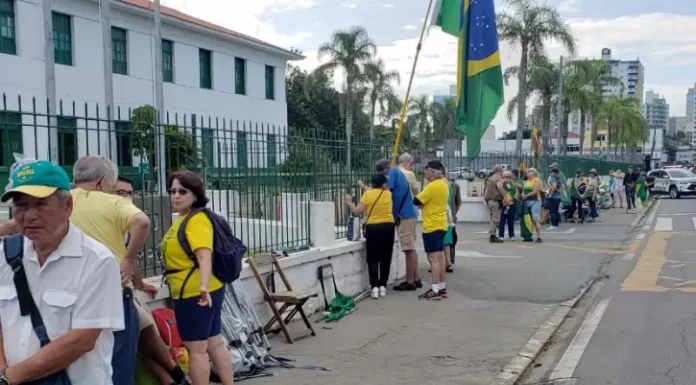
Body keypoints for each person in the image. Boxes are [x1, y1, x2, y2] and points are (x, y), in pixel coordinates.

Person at [0, 156, 152, 385]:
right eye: (21, 205)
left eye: (41, 204)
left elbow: (82, 340)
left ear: (67, 206)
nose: (29, 215)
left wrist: (10, 377)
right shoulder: (5, 254)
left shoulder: (97, 262)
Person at [114, 176, 192, 385]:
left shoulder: (128, 221)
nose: (126, 197)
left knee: (145, 338)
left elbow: (128, 259)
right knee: (144, 336)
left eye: (129, 193)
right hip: (114, 293)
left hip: (127, 290)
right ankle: (176, 376)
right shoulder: (109, 220)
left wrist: (140, 283)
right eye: (120, 193)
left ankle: (175, 378)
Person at [161, 171, 234, 385]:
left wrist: (203, 288)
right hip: (204, 288)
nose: (176, 196)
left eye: (183, 191)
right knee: (213, 343)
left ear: (196, 194)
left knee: (197, 350)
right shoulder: (185, 218)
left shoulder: (196, 220)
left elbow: (204, 256)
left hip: (196, 292)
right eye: (172, 191)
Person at [366, 156, 422, 292]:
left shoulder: (392, 174)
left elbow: (384, 191)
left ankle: (410, 281)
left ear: (385, 170)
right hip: (408, 213)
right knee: (411, 247)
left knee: (408, 248)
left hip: (404, 215)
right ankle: (415, 278)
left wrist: (368, 191)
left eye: (382, 174)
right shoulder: (397, 173)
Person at [345, 173, 395, 299]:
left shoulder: (367, 195)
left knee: (372, 258)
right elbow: (376, 191)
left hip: (374, 228)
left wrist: (350, 203)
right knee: (386, 257)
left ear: (372, 183)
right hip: (389, 227)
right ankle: (383, 286)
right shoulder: (388, 194)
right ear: (383, 184)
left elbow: (357, 212)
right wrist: (363, 186)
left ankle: (374, 288)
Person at [413, 160, 450, 300]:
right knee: (440, 258)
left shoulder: (432, 186)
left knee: (433, 259)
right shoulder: (444, 184)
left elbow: (416, 201)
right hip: (441, 224)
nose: (425, 174)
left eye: (427, 171)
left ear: (433, 172)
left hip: (432, 226)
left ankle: (434, 289)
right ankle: (441, 287)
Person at [483, 166, 505, 243]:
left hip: (489, 201)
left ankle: (493, 233)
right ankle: (493, 235)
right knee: (495, 219)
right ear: (499, 171)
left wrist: (485, 199)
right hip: (495, 201)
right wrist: (505, 196)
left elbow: (486, 190)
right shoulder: (498, 179)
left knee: (492, 217)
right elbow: (500, 188)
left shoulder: (490, 179)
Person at [522, 168, 543, 243]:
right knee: (530, 219)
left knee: (535, 218)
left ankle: (539, 236)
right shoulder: (527, 181)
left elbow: (535, 191)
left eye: (530, 171)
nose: (528, 173)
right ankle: (529, 235)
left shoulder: (536, 180)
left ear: (534, 173)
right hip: (527, 201)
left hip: (535, 200)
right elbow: (523, 190)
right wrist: (524, 195)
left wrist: (526, 195)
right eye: (528, 172)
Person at [442, 168, 455, 273]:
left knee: (440, 241)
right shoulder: (448, 183)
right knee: (446, 242)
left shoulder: (440, 183)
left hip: (442, 213)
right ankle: (448, 263)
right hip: (448, 212)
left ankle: (442, 263)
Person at [499, 171, 517, 241]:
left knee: (511, 220)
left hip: (512, 203)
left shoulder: (513, 185)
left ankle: (511, 235)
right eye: (506, 177)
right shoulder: (501, 184)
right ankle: (501, 235)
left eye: (509, 177)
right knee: (502, 221)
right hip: (504, 204)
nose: (508, 178)